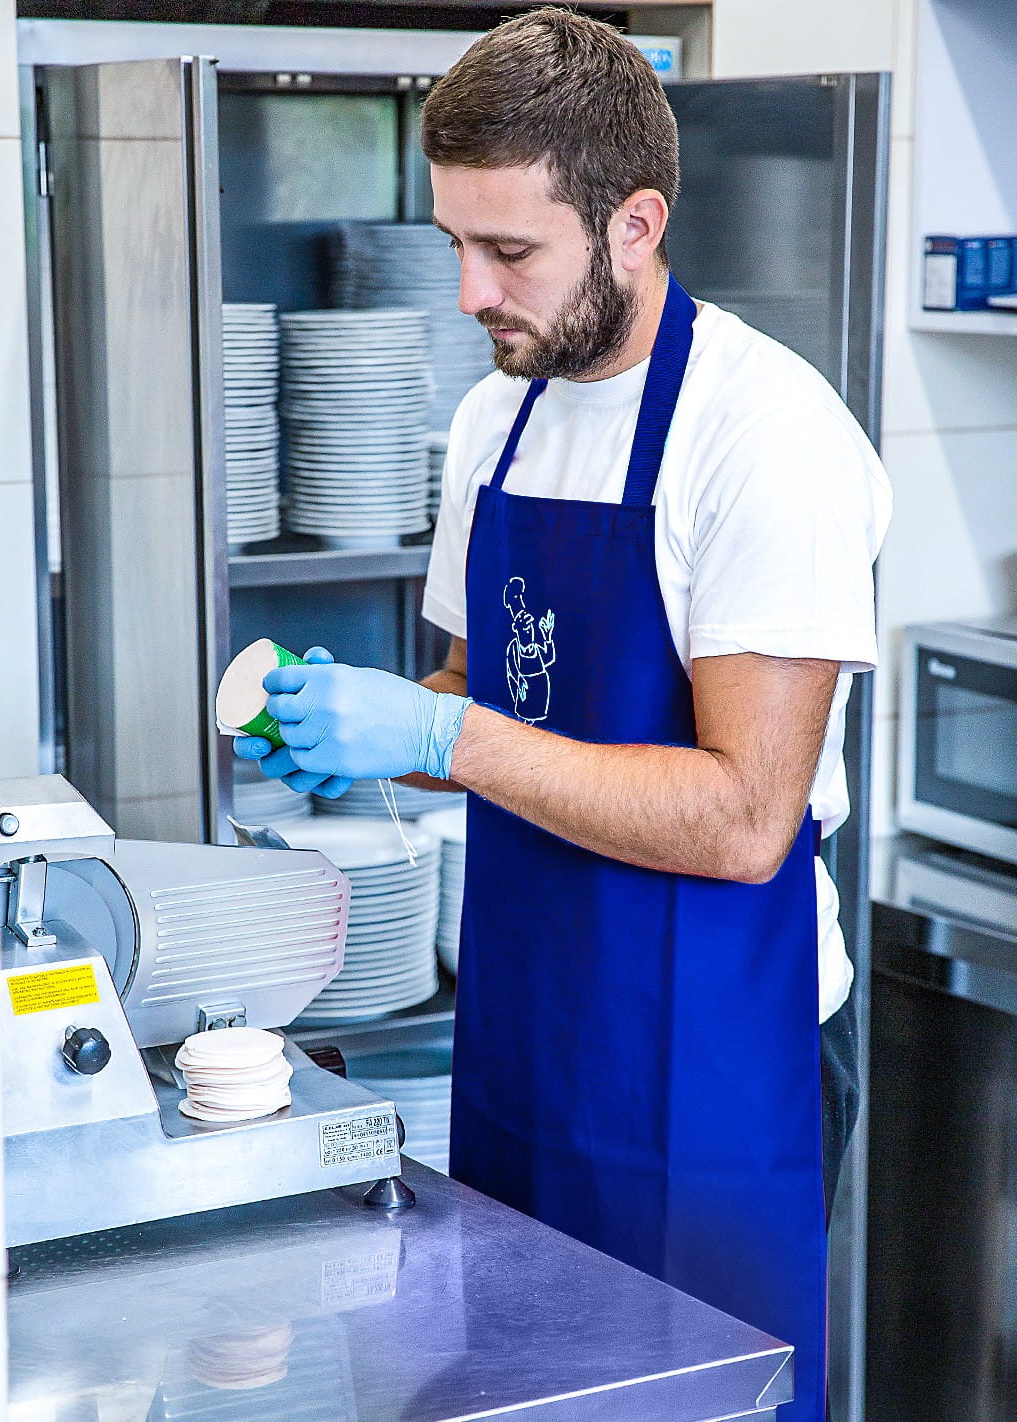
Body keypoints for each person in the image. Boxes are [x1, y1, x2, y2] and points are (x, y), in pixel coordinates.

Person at [236, 10, 891, 1420]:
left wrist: (440, 739)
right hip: (530, 1020)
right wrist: (354, 729)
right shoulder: (501, 418)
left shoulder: (765, 440)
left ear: (634, 225)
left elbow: (745, 821)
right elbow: (484, 696)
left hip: (717, 1048)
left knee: (696, 1398)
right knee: (521, 1387)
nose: (469, 291)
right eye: (454, 243)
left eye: (510, 251)